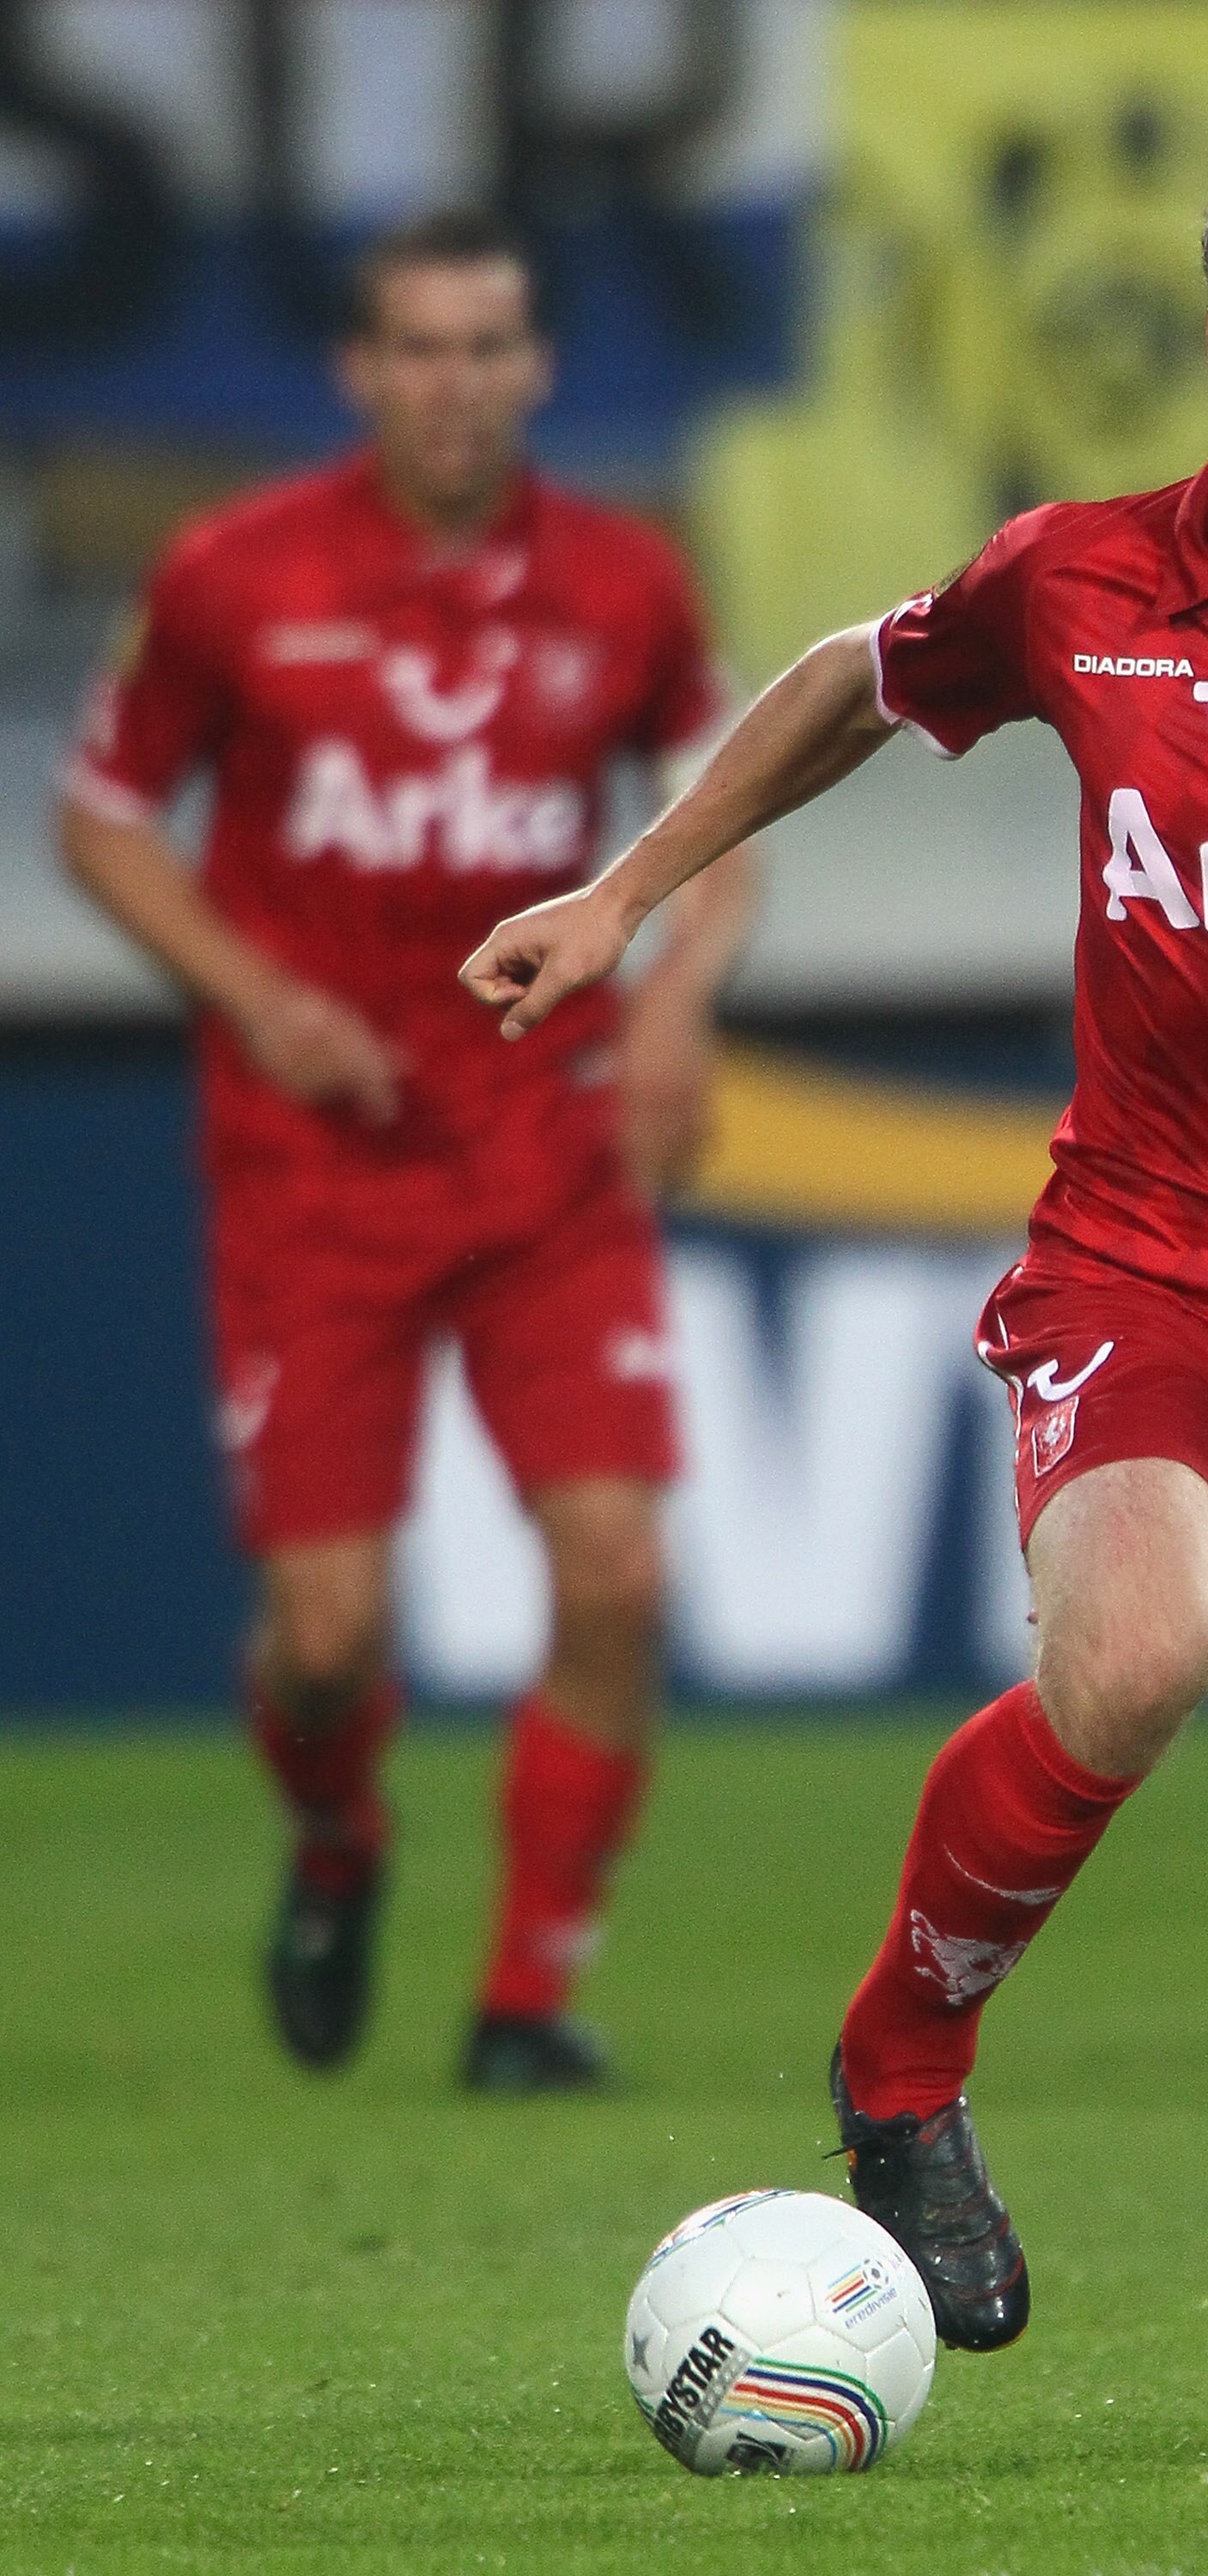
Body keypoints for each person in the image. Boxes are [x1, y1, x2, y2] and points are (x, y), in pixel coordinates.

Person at [460, 125, 1208, 2426]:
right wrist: (625, 898)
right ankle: (898, 2065)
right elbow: (854, 672)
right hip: (1152, 1256)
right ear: (1204, 335)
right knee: (1128, 1652)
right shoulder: (1092, 577)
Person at [59, 210, 754, 2093]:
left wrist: (678, 1006)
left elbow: (725, 819)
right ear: (359, 373)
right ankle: (337, 1832)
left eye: (490, 346)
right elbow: (105, 817)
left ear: (536, 368)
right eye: (420, 350)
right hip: (314, 1158)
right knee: (324, 1634)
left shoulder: (622, 582)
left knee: (615, 1573)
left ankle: (530, 1997)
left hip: (546, 1146)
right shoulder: (232, 576)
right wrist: (249, 991)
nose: (456, 385)